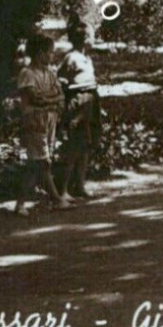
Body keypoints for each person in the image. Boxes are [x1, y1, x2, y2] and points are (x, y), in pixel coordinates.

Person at [15, 33, 70, 215]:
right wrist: (51, 99)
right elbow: (35, 98)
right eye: (48, 52)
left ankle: (21, 203)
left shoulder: (50, 73)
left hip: (49, 120)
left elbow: (61, 95)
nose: (51, 56)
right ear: (39, 53)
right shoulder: (27, 73)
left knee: (36, 164)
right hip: (34, 121)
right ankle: (56, 199)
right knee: (42, 161)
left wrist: (51, 100)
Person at [58, 29, 101, 200]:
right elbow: (61, 79)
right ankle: (63, 190)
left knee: (86, 145)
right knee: (75, 144)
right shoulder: (71, 57)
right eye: (89, 36)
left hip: (91, 99)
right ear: (82, 39)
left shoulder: (87, 58)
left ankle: (80, 186)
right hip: (78, 101)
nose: (92, 38)